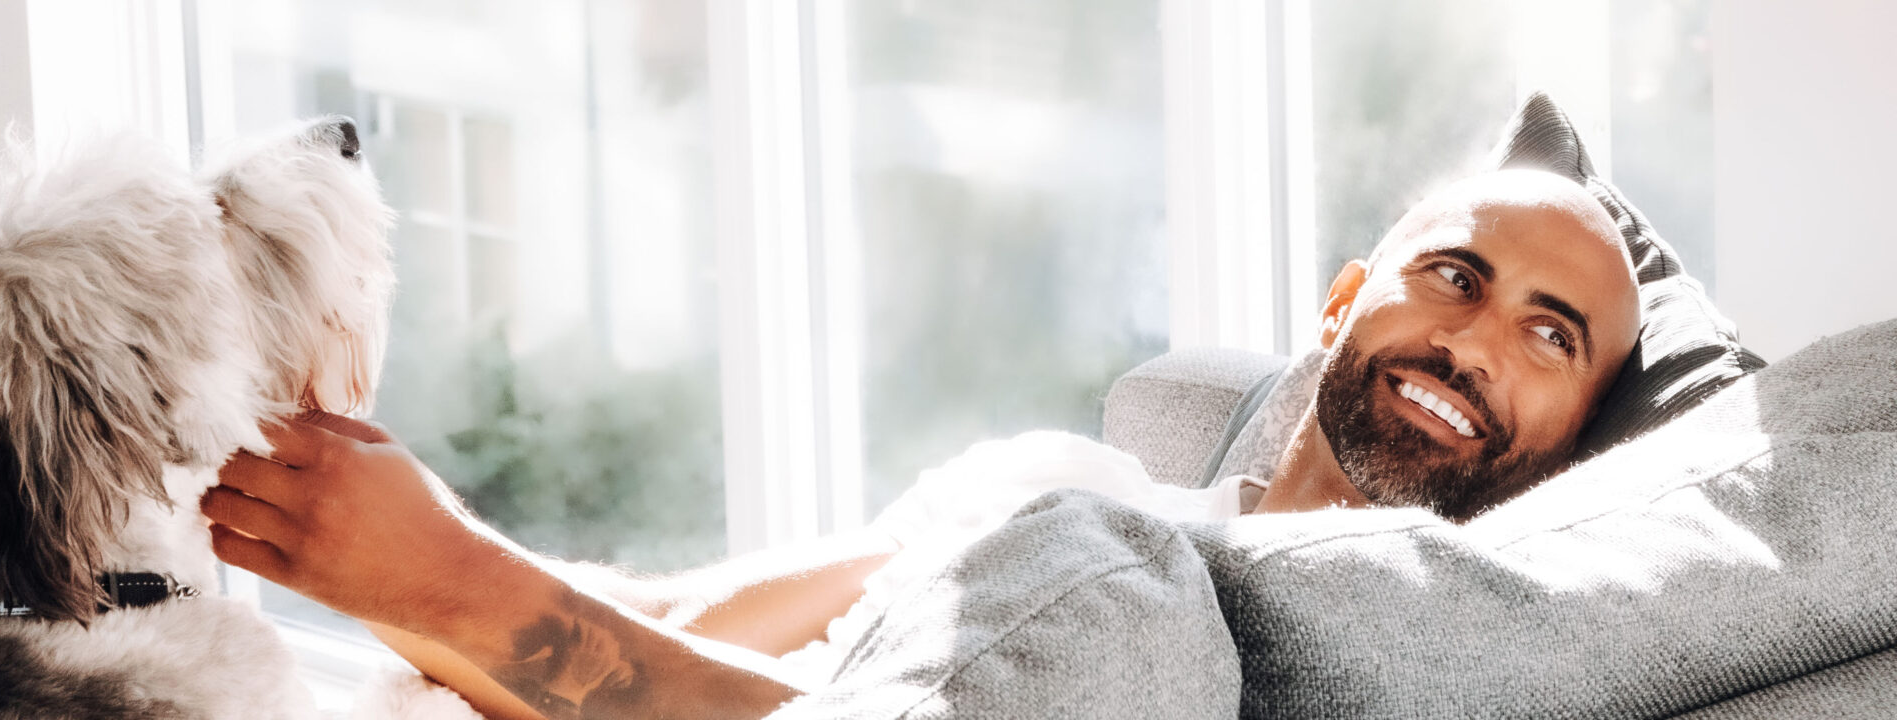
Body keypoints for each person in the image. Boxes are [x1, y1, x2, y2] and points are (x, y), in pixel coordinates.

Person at [200, 168, 1644, 720]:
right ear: (1345, 302)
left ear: (1575, 442)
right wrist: (351, 521)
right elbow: (688, 617)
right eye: (1456, 275)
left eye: (1550, 335)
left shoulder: (1420, 664)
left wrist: (452, 583)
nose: (1474, 343)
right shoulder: (1073, 490)